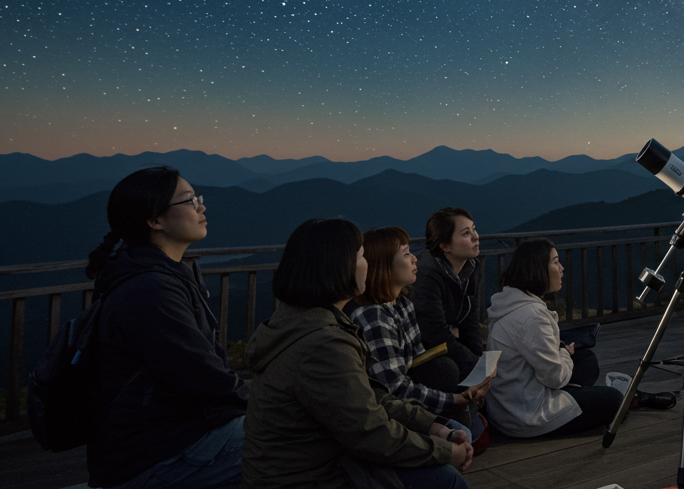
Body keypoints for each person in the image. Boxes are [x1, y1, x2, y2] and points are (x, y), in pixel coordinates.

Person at [241, 218, 473, 489]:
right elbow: (372, 434)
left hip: (313, 463)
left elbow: (370, 397)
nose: (368, 265)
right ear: (339, 267)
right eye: (362, 256)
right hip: (308, 477)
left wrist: (436, 426)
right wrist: (445, 451)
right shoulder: (324, 344)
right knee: (446, 479)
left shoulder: (304, 322)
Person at [83, 166, 248, 489]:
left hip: (173, 436)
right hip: (158, 454)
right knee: (303, 446)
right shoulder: (150, 290)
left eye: (197, 198)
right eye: (189, 200)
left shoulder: (161, 274)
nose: (201, 207)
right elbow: (202, 375)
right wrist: (272, 404)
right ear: (155, 220)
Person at [349, 226, 493, 451]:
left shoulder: (402, 304)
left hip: (413, 400)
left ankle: (464, 433)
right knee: (446, 372)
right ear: (385, 266)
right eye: (406, 254)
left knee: (448, 368)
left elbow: (420, 360)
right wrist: (453, 399)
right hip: (392, 412)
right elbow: (392, 388)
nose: (415, 258)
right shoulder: (373, 316)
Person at [483, 238, 624, 438]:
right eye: (555, 262)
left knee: (586, 360)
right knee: (614, 400)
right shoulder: (531, 316)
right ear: (538, 269)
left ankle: (576, 391)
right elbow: (555, 378)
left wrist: (562, 354)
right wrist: (564, 354)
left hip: (509, 404)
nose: (562, 268)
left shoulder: (511, 303)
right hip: (525, 416)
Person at [410, 208, 484, 380]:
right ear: (445, 246)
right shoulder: (426, 275)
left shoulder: (471, 267)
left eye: (474, 229)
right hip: (427, 357)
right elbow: (434, 334)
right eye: (466, 233)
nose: (476, 237)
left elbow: (470, 320)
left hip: (451, 347)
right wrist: (478, 368)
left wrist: (479, 363)